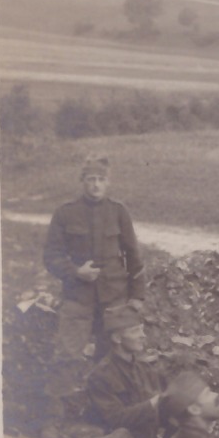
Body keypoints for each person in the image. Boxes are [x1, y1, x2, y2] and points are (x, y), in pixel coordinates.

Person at [42, 154, 146, 362]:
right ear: (82, 181)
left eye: (101, 179)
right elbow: (51, 255)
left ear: (108, 182)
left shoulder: (118, 212)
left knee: (114, 359)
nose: (96, 185)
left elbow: (133, 256)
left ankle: (102, 394)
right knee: (66, 356)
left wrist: (137, 296)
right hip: (78, 296)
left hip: (114, 298)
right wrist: (75, 272)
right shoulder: (65, 213)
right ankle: (65, 393)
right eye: (90, 179)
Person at [83, 303, 164, 438]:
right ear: (117, 338)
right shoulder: (100, 376)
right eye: (135, 331)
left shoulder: (145, 369)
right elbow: (115, 419)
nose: (143, 335)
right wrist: (152, 404)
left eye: (142, 329)